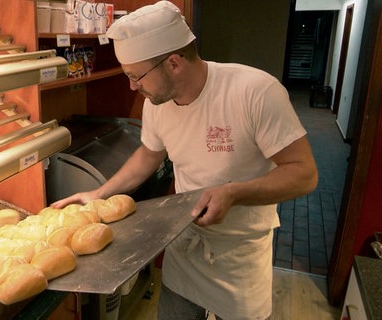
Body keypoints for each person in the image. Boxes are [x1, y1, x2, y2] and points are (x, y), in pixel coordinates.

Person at [51, 1, 318, 319]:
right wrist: (97, 195)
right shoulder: (157, 104)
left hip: (240, 253)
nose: (133, 87)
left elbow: (304, 173)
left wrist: (232, 193)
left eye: (137, 76)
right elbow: (149, 154)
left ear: (174, 63)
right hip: (186, 243)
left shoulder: (255, 92)